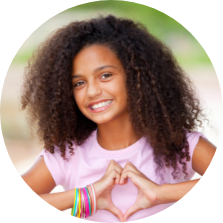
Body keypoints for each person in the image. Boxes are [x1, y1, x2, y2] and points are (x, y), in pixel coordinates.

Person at [20, 14, 217, 222]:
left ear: (136, 76)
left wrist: (161, 193)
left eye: (105, 75)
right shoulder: (67, 156)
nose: (92, 91)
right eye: (79, 83)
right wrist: (84, 196)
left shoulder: (179, 146)